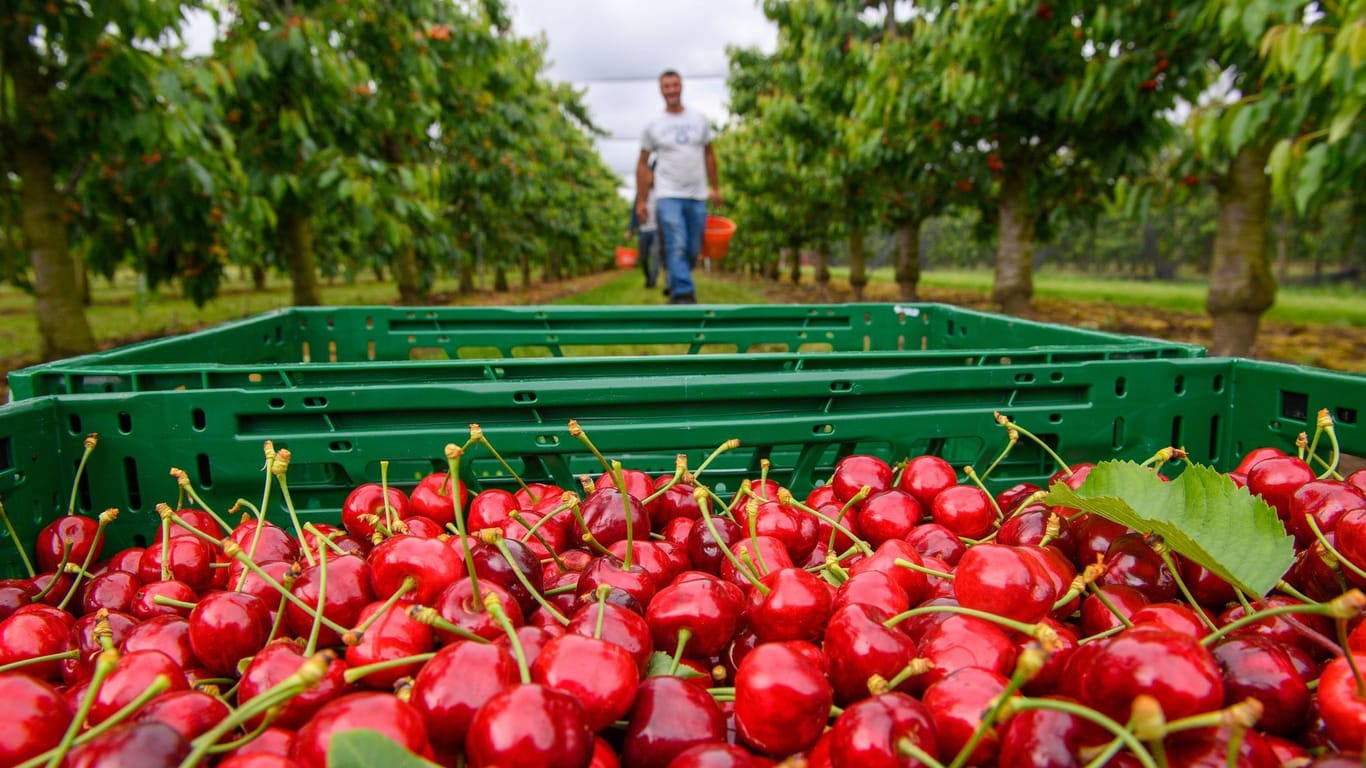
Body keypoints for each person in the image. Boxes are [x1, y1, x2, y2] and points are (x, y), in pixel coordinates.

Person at [636, 69, 721, 304]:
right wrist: (642, 201)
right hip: (668, 194)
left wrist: (715, 187)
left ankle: (675, 277)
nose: (671, 90)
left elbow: (710, 155)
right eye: (666, 86)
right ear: (661, 90)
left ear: (681, 87)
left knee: (693, 248)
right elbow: (642, 164)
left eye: (675, 85)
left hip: (696, 194)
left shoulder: (699, 120)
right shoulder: (653, 126)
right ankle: (683, 293)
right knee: (676, 241)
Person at [626, 161, 662, 289]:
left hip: (657, 229)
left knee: (656, 255)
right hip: (644, 230)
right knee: (644, 257)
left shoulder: (660, 193)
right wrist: (630, 229)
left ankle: (652, 280)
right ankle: (648, 277)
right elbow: (634, 212)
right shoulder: (640, 194)